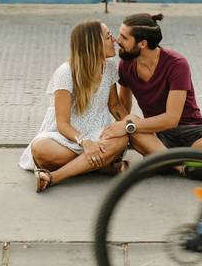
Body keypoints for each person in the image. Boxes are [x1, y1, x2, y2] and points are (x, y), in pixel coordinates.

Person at [19, 20, 130, 192]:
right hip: (66, 137)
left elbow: (114, 105)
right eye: (108, 37)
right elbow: (62, 124)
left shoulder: (108, 67)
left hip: (98, 132)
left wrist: (130, 124)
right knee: (39, 149)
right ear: (94, 44)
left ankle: (53, 177)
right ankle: (100, 165)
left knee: (122, 139)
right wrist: (85, 142)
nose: (114, 40)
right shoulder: (65, 73)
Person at [100, 13, 202, 157]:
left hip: (189, 129)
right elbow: (123, 105)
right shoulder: (126, 64)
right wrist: (125, 126)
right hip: (155, 135)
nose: (117, 40)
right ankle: (185, 163)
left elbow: (171, 119)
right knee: (130, 123)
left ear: (142, 43)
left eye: (124, 37)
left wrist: (128, 125)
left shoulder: (177, 64)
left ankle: (167, 159)